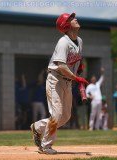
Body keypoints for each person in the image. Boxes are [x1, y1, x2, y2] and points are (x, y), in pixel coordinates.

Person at [30, 13, 88, 154]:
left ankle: (37, 127)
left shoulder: (79, 40)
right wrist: (76, 78)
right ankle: (45, 146)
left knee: (65, 117)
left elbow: (75, 59)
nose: (75, 18)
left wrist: (79, 66)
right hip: (55, 79)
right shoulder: (63, 42)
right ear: (65, 25)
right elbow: (61, 66)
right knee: (56, 115)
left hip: (67, 82)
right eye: (71, 18)